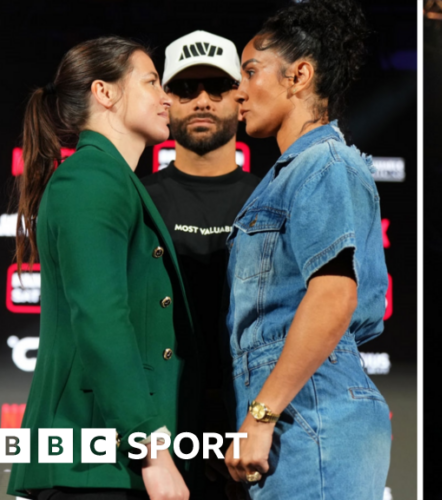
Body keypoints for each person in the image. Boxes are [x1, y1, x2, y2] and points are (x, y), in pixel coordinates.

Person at [8, 36, 197, 500]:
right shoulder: (91, 179)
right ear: (105, 92)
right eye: (152, 82)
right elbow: (100, 317)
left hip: (102, 463)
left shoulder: (108, 178)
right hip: (89, 465)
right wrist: (153, 452)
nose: (166, 98)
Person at [222, 1, 391, 499]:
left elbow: (334, 295)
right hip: (302, 409)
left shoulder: (323, 164)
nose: (239, 91)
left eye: (251, 71)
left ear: (298, 76)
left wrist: (262, 413)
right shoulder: (291, 174)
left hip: (312, 410)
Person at [141, 31, 260, 500]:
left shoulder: (270, 199)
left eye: (216, 88)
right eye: (186, 90)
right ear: (166, 100)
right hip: (160, 433)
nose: (203, 101)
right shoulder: (139, 201)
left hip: (251, 432)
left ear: (239, 97)